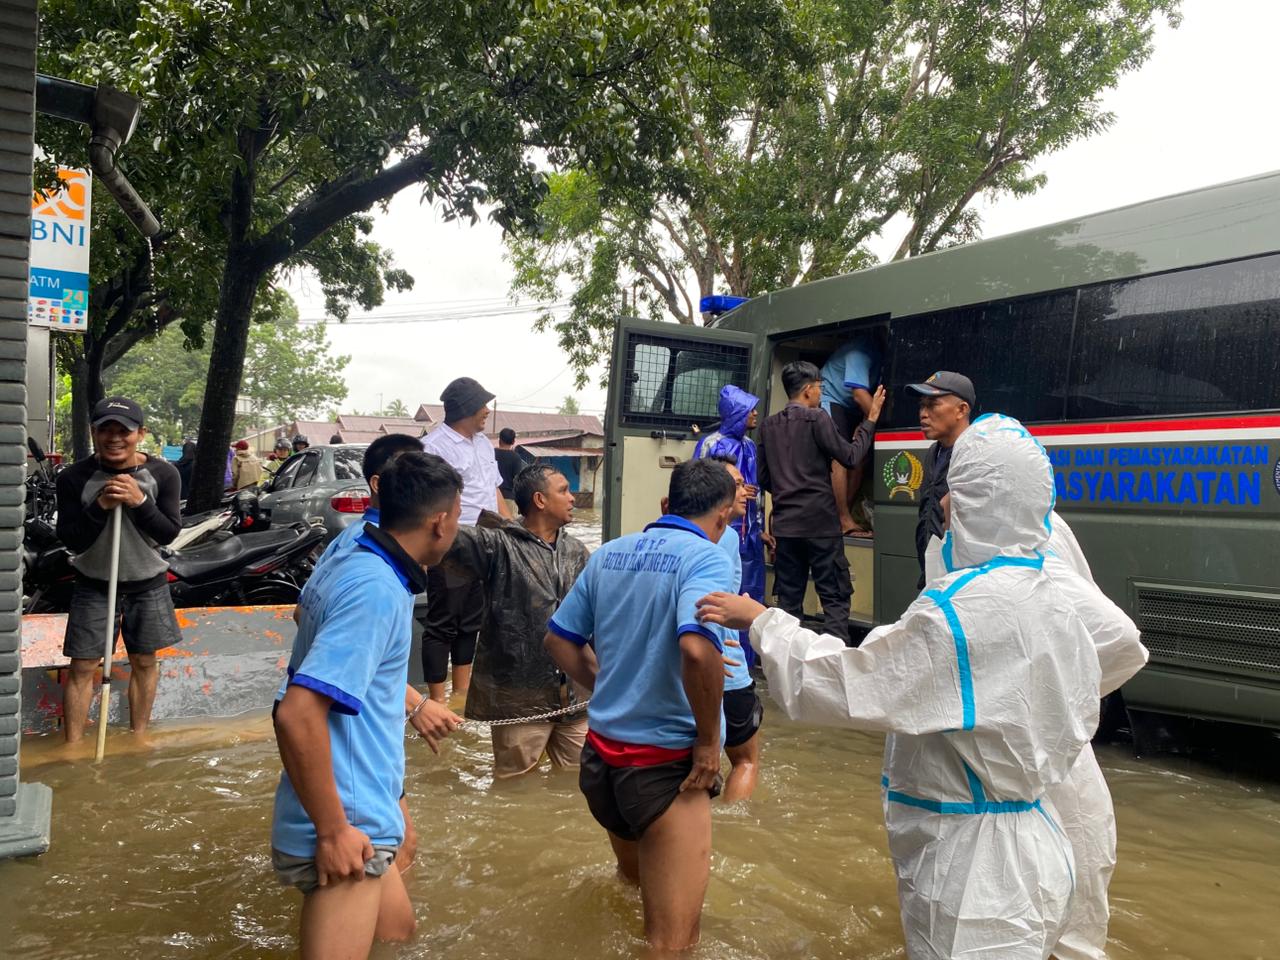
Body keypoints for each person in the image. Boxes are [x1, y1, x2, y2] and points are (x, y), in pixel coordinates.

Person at [699, 414, 1109, 960]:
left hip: (976, 876)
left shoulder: (965, 614)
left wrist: (763, 622)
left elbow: (854, 683)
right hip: (1038, 842)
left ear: (978, 502)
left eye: (953, 491)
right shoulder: (1051, 593)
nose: (942, 504)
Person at [271, 452, 463, 959]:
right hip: (349, 817)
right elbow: (296, 713)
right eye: (460, 516)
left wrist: (413, 701)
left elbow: (308, 626)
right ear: (440, 522)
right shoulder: (375, 589)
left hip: (360, 802)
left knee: (398, 934)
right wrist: (334, 830)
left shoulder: (352, 551)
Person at [543, 458, 735, 952]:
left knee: (629, 898)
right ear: (723, 517)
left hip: (602, 761)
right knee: (672, 943)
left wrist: (607, 685)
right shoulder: (706, 558)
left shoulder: (609, 554)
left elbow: (559, 641)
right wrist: (710, 744)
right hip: (665, 769)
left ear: (666, 505)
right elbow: (697, 648)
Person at [441, 464, 591, 778]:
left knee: (581, 785)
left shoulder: (577, 551)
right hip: (520, 701)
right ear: (540, 500)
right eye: (563, 490)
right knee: (514, 785)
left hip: (576, 701)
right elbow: (438, 537)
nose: (572, 498)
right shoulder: (497, 546)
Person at [55, 396, 182, 744]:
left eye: (123, 431)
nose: (114, 438)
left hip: (148, 583)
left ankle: (139, 737)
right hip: (94, 584)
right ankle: (74, 746)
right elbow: (71, 539)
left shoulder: (163, 474)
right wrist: (102, 505)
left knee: (144, 661)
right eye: (105, 430)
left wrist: (139, 502)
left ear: (140, 434)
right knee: (82, 667)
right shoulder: (73, 478)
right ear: (93, 433)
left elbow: (169, 531)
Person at [757, 361, 885, 644]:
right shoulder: (818, 419)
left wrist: (786, 490)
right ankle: (833, 658)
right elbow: (850, 457)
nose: (820, 394)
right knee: (834, 596)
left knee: (789, 602)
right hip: (820, 525)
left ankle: (786, 662)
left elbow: (763, 477)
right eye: (819, 389)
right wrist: (871, 419)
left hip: (786, 528)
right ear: (807, 390)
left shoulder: (768, 426)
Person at [419, 377, 513, 703]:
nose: (487, 410)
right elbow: (429, 501)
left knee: (471, 621)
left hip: (485, 541)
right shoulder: (434, 447)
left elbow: (494, 490)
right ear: (466, 409)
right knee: (443, 621)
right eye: (482, 405)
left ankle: (460, 696)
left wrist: (512, 528)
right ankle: (436, 701)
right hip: (452, 542)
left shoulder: (484, 444)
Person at [694, 385, 768, 667]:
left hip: (748, 535)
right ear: (736, 412)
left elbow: (757, 492)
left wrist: (759, 528)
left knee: (751, 595)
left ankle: (746, 662)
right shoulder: (711, 444)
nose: (756, 414)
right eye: (750, 409)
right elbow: (698, 483)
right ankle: (718, 657)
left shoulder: (750, 446)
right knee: (721, 594)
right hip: (722, 530)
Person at [704, 454, 763, 803]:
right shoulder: (722, 535)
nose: (746, 491)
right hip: (726, 668)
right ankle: (732, 827)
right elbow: (713, 603)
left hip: (686, 671)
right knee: (745, 762)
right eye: (737, 485)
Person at [908, 370, 974, 588]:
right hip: (933, 575)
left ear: (961, 410)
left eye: (932, 405)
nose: (923, 414)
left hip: (961, 580)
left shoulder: (976, 456)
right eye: (921, 405)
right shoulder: (932, 453)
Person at [820, 334, 881, 536]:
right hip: (831, 399)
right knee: (840, 457)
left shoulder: (882, 356)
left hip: (853, 408)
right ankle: (843, 520)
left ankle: (843, 514)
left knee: (859, 456)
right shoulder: (860, 351)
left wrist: (865, 423)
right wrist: (879, 425)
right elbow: (860, 394)